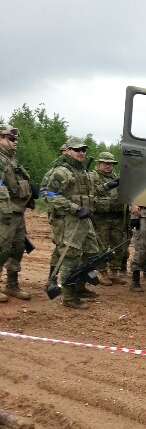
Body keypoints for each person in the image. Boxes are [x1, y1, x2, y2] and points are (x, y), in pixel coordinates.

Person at [42, 136, 100, 310]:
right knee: (70, 257)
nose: (81, 152)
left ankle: (79, 286)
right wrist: (74, 208)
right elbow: (48, 194)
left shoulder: (81, 171)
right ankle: (68, 297)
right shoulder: (62, 171)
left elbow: (89, 194)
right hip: (69, 220)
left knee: (92, 252)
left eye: (83, 150)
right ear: (67, 150)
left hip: (84, 220)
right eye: (77, 150)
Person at [0, 124, 35, 302]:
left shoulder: (11, 160)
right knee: (2, 248)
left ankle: (12, 285)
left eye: (16, 139)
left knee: (18, 247)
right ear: (0, 138)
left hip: (17, 211)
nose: (15, 142)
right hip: (4, 212)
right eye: (11, 139)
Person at [90, 151, 126, 285]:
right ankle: (102, 272)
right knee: (102, 246)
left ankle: (114, 272)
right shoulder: (93, 177)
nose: (108, 166)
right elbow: (91, 193)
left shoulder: (115, 177)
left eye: (110, 164)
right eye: (105, 163)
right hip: (101, 218)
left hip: (116, 217)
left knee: (118, 245)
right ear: (99, 163)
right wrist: (107, 186)